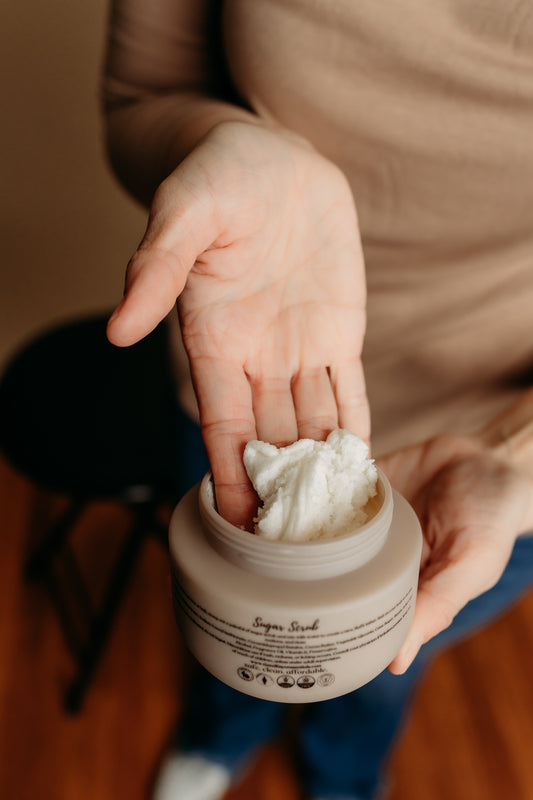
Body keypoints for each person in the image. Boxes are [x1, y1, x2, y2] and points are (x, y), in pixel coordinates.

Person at [102, 2, 533, 799]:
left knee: (383, 668)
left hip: (495, 441)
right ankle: (221, 735)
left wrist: (515, 454)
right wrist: (216, 140)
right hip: (247, 387)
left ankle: (342, 777)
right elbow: (143, 94)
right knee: (234, 634)